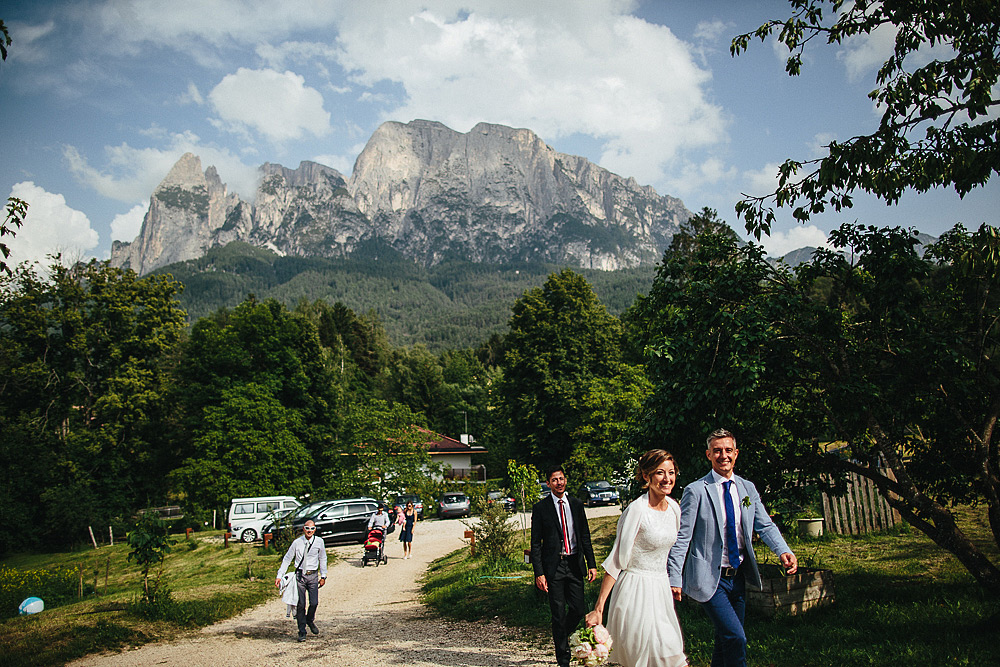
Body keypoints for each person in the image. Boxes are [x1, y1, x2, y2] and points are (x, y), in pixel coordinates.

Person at [668, 429, 798, 667]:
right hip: (710, 577)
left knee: (725, 639)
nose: (723, 455)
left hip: (737, 578)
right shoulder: (696, 490)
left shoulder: (747, 488)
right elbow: (682, 538)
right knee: (736, 638)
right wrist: (674, 577)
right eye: (717, 451)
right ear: (708, 455)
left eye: (728, 450)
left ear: (736, 454)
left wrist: (783, 550)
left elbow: (764, 525)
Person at [585, 449, 687, 667]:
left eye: (671, 472)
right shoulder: (636, 510)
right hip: (635, 591)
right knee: (641, 658)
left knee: (671, 652)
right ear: (646, 476)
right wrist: (599, 608)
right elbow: (615, 560)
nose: (667, 479)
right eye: (660, 473)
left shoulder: (675, 510)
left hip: (661, 589)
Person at [531, 466, 598, 667]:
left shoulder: (576, 505)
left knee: (577, 609)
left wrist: (591, 564)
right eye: (554, 480)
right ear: (548, 483)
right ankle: (563, 659)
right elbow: (535, 543)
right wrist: (539, 573)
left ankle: (561, 635)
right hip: (554, 567)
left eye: (561, 479)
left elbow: (584, 535)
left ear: (565, 480)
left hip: (574, 563)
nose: (559, 482)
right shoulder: (541, 508)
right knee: (558, 612)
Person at [275, 520, 328, 642]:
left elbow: (322, 558)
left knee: (314, 602)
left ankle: (309, 620)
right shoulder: (297, 543)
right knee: (300, 604)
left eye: (312, 529)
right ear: (303, 529)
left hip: (313, 574)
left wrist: (323, 575)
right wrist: (279, 575)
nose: (309, 531)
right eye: (307, 528)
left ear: (315, 530)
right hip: (300, 575)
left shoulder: (319, 542)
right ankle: (302, 631)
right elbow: (287, 559)